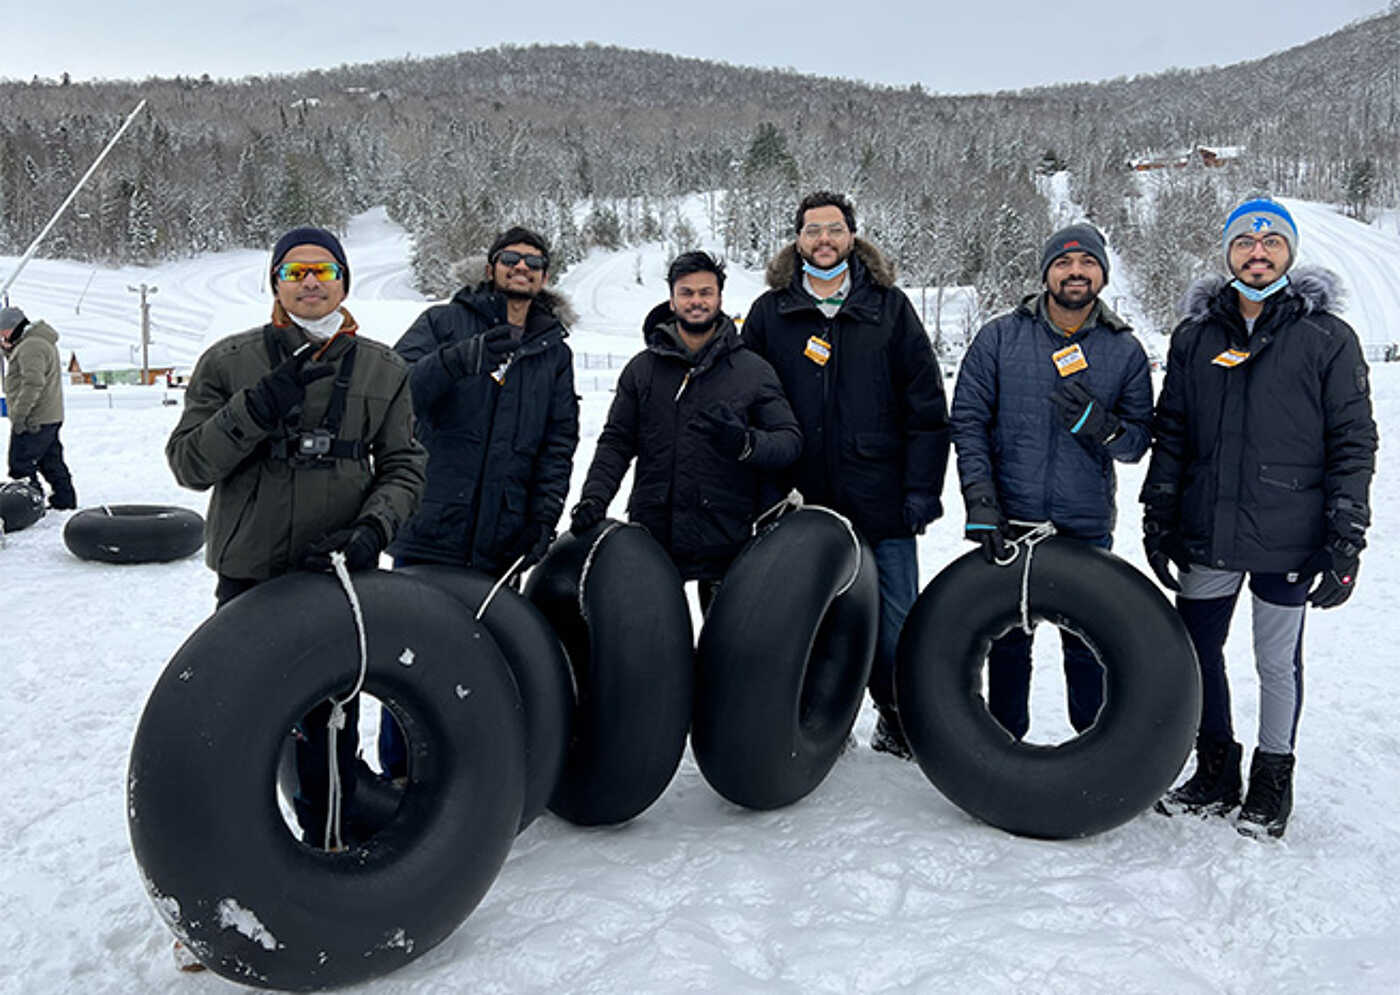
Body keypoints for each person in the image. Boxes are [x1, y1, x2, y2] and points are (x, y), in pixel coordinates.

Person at [166, 226, 425, 853]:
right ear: (276, 283)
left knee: (333, 724)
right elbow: (189, 465)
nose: (311, 282)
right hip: (250, 575)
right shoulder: (228, 362)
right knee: (235, 723)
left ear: (343, 280)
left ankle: (326, 851)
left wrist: (373, 530)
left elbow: (404, 465)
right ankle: (219, 868)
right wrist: (253, 410)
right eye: (295, 272)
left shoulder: (384, 367)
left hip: (339, 576)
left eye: (324, 271)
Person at [1144, 198, 1377, 839]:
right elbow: (1174, 433)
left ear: (1289, 253)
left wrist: (1345, 535)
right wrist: (1158, 513)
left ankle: (1273, 780)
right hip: (1209, 530)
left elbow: (1353, 439)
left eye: (1271, 241)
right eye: (1245, 240)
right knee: (1196, 653)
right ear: (1227, 254)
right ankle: (1215, 769)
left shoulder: (1327, 337)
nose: (1257, 251)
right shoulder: (1196, 337)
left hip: (1290, 536)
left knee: (1276, 663)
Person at [742, 191, 950, 759]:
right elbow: (745, 405)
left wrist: (920, 492)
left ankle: (898, 717)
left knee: (895, 624)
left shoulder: (890, 307)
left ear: (852, 236)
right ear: (797, 239)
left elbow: (927, 409)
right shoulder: (769, 313)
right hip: (798, 503)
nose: (824, 240)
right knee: (809, 624)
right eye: (813, 230)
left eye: (834, 229)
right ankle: (817, 725)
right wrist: (761, 490)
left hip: (881, 499)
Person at [385, 225, 579, 774]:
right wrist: (456, 360)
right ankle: (400, 779)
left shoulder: (553, 351)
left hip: (502, 539)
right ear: (491, 266)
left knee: (485, 663)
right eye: (511, 259)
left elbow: (557, 442)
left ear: (545, 276)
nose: (523, 268)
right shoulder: (442, 322)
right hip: (429, 530)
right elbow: (393, 394)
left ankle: (470, 787)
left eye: (534, 262)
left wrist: (543, 518)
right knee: (410, 661)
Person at [950, 224, 1152, 741]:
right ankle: (1003, 748)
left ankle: (1091, 749)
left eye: (1087, 262)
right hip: (1011, 518)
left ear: (1102, 274)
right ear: (1046, 274)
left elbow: (1136, 443)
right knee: (1009, 642)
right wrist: (980, 501)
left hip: (1083, 522)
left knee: (1085, 643)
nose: (1076, 272)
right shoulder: (999, 337)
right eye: (1063, 263)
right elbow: (968, 420)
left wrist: (1098, 424)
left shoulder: (1124, 350)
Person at [570, 251, 800, 606]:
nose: (697, 301)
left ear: (720, 297)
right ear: (672, 298)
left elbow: (788, 441)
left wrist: (744, 443)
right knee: (657, 649)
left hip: (727, 538)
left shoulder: (752, 371)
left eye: (705, 292)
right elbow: (616, 442)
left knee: (728, 654)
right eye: (687, 292)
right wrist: (594, 497)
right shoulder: (642, 370)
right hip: (656, 535)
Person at [2, 306, 77, 509]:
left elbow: (32, 382)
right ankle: (64, 500)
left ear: (13, 327)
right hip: (48, 415)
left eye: (2, 333)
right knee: (50, 461)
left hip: (34, 418)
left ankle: (27, 508)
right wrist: (8, 349)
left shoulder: (31, 346)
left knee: (20, 465)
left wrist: (19, 415)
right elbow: (22, 369)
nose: (1, 337)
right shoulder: (35, 342)